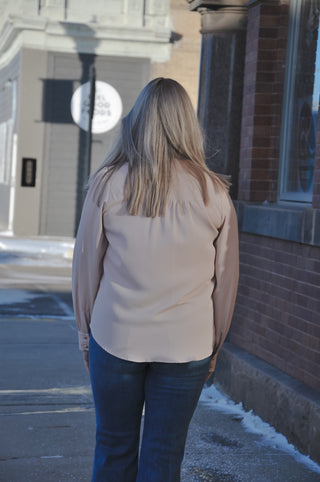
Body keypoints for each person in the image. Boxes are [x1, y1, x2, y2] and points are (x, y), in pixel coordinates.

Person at [72, 77, 239, 482]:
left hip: (116, 336)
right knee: (164, 458)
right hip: (187, 344)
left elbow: (86, 268)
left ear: (138, 119)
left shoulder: (108, 183)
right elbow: (226, 281)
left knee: (113, 448)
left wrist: (84, 333)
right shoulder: (213, 193)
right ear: (187, 124)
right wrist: (215, 342)